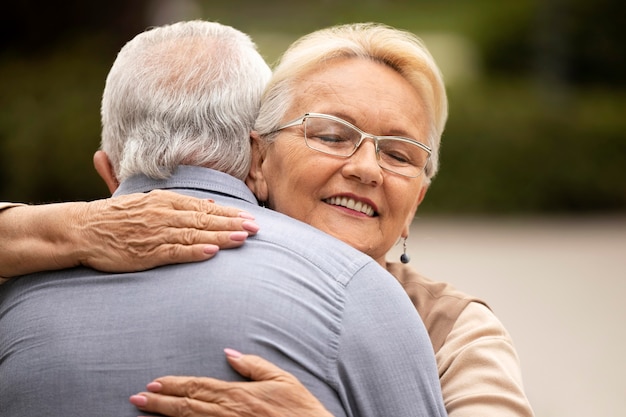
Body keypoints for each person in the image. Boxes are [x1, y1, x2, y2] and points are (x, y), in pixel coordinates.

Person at [0, 23, 535, 417]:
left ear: (416, 201)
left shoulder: (456, 331)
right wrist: (75, 228)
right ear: (259, 159)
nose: (367, 168)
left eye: (399, 154)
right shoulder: (122, 237)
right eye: (331, 134)